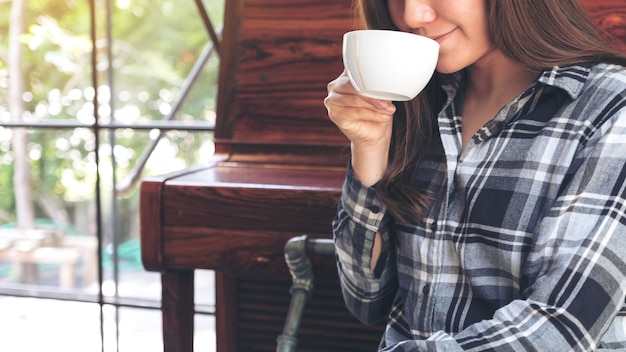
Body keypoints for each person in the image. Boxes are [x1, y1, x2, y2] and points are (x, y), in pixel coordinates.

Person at [324, 0, 626, 350]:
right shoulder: (415, 102)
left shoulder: (611, 109)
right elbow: (365, 299)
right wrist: (369, 150)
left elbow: (557, 328)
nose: (411, 16)